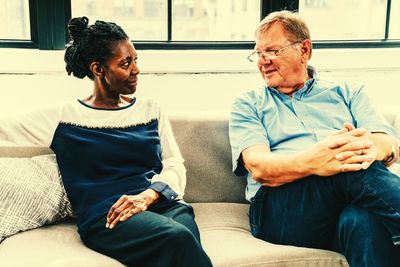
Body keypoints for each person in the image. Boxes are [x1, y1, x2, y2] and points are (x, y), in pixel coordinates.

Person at [0, 17, 212, 267]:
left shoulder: (151, 110)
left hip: (161, 203)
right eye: (125, 63)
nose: (136, 70)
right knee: (178, 239)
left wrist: (150, 195)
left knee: (184, 237)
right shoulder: (63, 117)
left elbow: (175, 165)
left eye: (135, 60)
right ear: (98, 69)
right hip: (109, 216)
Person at [229, 10, 400, 267]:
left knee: (362, 220)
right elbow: (260, 167)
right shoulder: (248, 104)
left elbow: (386, 141)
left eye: (272, 51)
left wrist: (369, 148)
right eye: (258, 53)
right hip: (281, 210)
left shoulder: (348, 92)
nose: (262, 61)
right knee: (344, 164)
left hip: (342, 204)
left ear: (304, 50)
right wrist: (315, 160)